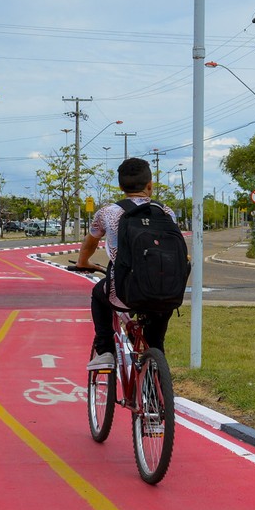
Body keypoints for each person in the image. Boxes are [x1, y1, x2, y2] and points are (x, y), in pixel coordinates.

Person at [77, 157, 178, 370]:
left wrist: (83, 262)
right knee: (156, 342)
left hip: (123, 293)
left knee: (98, 293)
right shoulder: (167, 212)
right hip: (166, 292)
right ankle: (155, 380)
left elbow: (91, 241)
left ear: (121, 186)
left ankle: (105, 351)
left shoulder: (108, 213)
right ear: (150, 186)